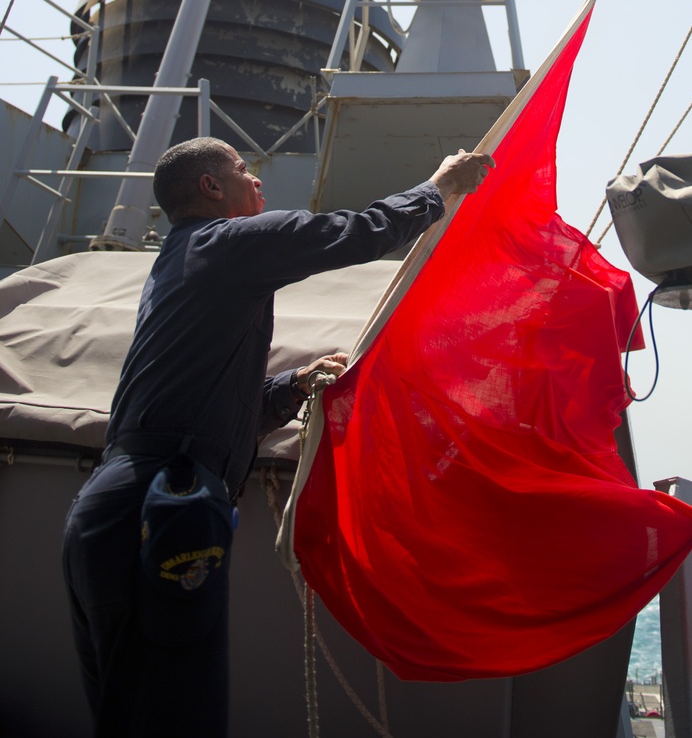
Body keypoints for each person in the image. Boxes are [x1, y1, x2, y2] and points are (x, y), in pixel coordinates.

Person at [62, 136, 493, 738]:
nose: (258, 182)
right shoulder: (226, 243)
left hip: (121, 505)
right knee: (175, 713)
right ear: (212, 188)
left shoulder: (183, 265)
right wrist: (440, 190)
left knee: (134, 712)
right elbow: (353, 231)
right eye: (244, 171)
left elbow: (205, 409)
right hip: (162, 504)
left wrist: (291, 385)